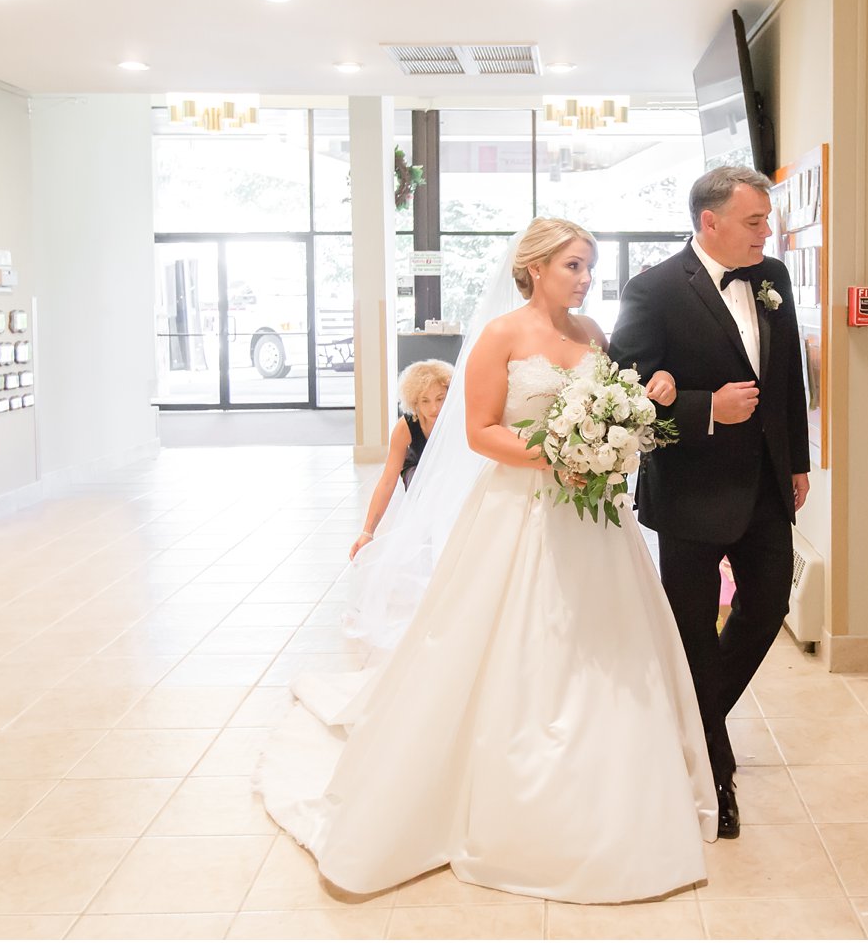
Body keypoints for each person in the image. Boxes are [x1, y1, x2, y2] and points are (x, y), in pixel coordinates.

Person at [255, 218, 716, 904]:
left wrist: (627, 427)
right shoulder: (501, 336)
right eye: (574, 266)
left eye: (588, 266)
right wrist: (560, 455)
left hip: (593, 516)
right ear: (533, 268)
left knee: (608, 645)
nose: (586, 278)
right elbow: (479, 432)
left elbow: (618, 407)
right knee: (511, 642)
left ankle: (610, 782)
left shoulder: (593, 335)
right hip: (519, 509)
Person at [608, 165, 812, 841]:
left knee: (768, 607)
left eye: (767, 220)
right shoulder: (654, 289)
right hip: (690, 491)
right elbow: (625, 392)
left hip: (765, 485)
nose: (767, 232)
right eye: (755, 221)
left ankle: (688, 729)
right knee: (694, 634)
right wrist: (706, 409)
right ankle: (715, 776)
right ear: (710, 222)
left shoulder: (773, 278)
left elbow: (787, 381)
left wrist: (799, 463)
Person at [348, 359, 452, 561]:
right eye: (425, 401)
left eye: (440, 398)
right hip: (418, 472)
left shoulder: (457, 419)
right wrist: (367, 533)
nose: (434, 408)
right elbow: (387, 481)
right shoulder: (405, 427)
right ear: (414, 402)